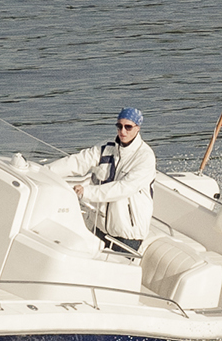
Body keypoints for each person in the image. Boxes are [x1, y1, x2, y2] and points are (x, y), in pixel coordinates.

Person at [47, 108, 156, 252]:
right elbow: (79, 161)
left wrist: (86, 192)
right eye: (119, 126)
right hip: (98, 228)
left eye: (128, 127)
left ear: (138, 128)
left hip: (127, 235)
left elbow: (123, 188)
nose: (123, 131)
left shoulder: (145, 157)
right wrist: (44, 171)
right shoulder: (107, 148)